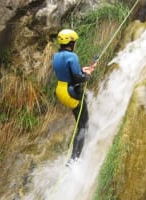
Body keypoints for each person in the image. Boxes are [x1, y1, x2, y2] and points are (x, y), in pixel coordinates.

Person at [52, 29, 94, 162]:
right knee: (83, 125)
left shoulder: (56, 56)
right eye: (74, 41)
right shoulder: (72, 56)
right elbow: (77, 78)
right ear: (71, 42)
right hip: (71, 92)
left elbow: (67, 73)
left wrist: (82, 71)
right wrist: (86, 76)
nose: (75, 43)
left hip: (61, 90)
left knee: (80, 119)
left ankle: (76, 154)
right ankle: (74, 160)